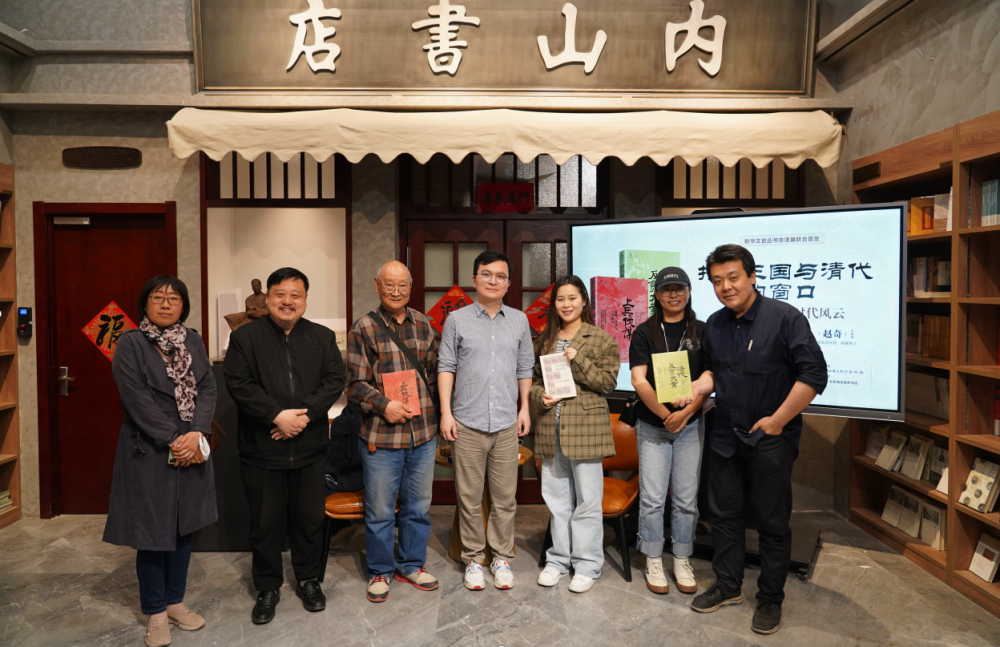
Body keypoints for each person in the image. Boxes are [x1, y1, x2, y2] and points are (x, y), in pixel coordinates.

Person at [675, 245, 827, 635]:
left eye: (733, 277)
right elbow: (714, 372)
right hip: (725, 436)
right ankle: (728, 586)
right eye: (717, 281)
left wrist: (777, 421)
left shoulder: (784, 318)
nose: (725, 287)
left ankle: (770, 598)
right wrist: (697, 387)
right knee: (724, 517)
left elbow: (813, 376)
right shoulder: (715, 323)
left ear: (752, 276)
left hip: (770, 440)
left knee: (772, 523)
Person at [224, 267, 346, 625]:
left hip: (310, 448)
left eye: (296, 294)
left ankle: (309, 580)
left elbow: (334, 380)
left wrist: (302, 417)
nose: (287, 301)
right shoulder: (245, 338)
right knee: (265, 523)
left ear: (305, 299)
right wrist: (276, 415)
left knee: (309, 519)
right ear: (268, 298)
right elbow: (239, 382)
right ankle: (267, 586)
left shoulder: (322, 337)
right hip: (262, 448)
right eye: (280, 294)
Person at [104, 276, 218, 647]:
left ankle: (174, 602)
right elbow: (135, 398)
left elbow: (207, 387)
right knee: (152, 534)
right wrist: (172, 437)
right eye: (158, 297)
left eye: (174, 298)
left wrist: (197, 431)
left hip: (192, 442)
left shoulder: (193, 340)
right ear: (145, 303)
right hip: (149, 448)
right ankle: (155, 613)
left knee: (184, 526)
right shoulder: (130, 342)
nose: (166, 304)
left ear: (184, 306)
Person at [438, 250, 534, 591]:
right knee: (468, 498)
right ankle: (473, 560)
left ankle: (502, 558)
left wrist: (524, 408)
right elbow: (446, 366)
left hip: (507, 424)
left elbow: (525, 368)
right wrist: (446, 412)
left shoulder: (519, 321)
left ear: (508, 283)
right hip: (467, 423)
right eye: (487, 274)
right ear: (474, 279)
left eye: (501, 276)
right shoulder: (457, 320)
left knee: (506, 498)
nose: (494, 281)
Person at [345, 260, 440, 603]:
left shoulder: (424, 324)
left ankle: (412, 564)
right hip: (382, 437)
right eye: (389, 284)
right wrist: (385, 405)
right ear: (377, 285)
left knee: (418, 507)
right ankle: (380, 570)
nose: (396, 291)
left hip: (423, 434)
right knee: (381, 511)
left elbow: (434, 376)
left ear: (410, 287)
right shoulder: (364, 328)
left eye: (402, 285)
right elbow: (354, 384)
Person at [529, 275, 619, 594]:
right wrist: (539, 397)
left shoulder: (601, 339)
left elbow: (607, 383)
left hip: (586, 431)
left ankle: (587, 565)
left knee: (588, 503)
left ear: (584, 301)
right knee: (556, 502)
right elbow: (534, 382)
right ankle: (557, 561)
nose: (566, 304)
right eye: (560, 299)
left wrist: (577, 359)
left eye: (572, 298)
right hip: (550, 429)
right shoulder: (544, 340)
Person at [629, 267, 708, 596]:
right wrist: (666, 416)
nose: (673, 295)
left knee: (687, 499)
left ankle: (682, 558)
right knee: (652, 499)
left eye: (679, 289)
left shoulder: (702, 331)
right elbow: (638, 380)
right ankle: (652, 558)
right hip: (653, 426)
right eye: (666, 289)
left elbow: (710, 378)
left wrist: (685, 414)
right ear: (657, 295)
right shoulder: (644, 332)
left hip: (691, 426)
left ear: (688, 291)